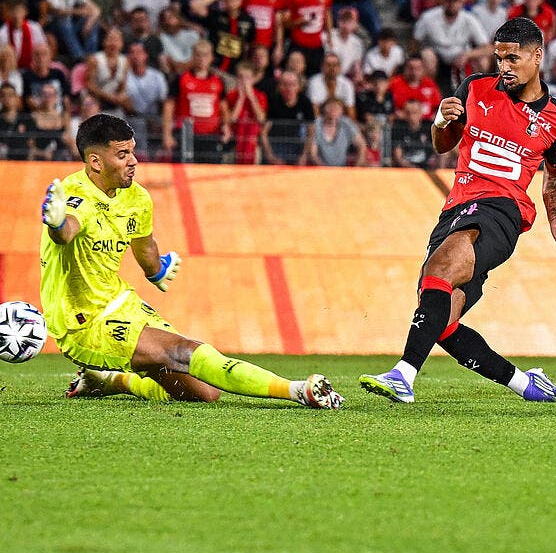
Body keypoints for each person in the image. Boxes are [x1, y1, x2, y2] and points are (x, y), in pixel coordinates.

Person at [43, 114, 340, 407]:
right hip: (82, 322)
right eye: (122, 154)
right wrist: (56, 224)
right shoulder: (74, 194)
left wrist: (157, 269)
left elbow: (144, 249)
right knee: (183, 351)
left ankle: (109, 379)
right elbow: (67, 231)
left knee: (204, 393)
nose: (133, 161)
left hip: (120, 302)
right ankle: (298, 390)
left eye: (132, 151)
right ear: (96, 162)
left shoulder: (136, 199)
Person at [359, 17, 556, 404]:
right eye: (499, 59)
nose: (504, 68)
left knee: (439, 271)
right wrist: (442, 119)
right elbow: (443, 144)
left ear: (537, 56)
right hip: (457, 206)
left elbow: (555, 176)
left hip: (502, 211)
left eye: (513, 59)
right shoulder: (475, 88)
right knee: (439, 319)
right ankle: (527, 385)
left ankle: (403, 375)